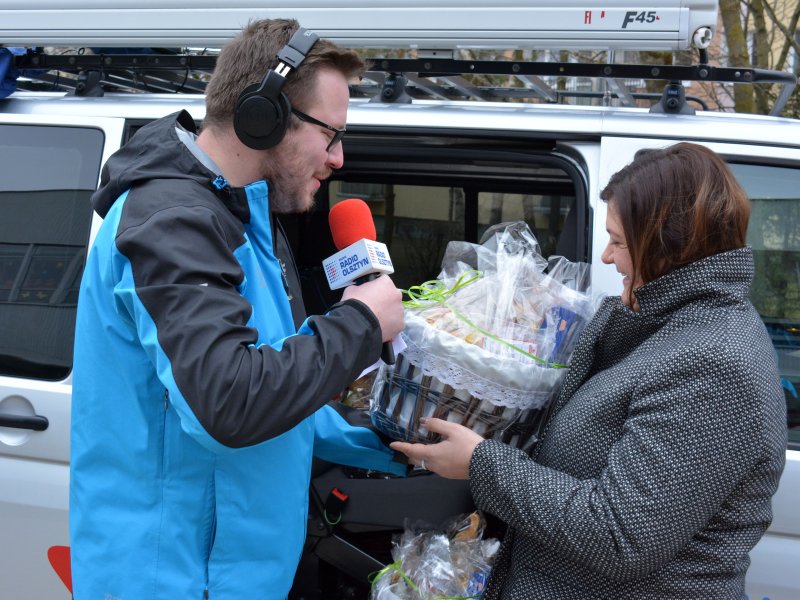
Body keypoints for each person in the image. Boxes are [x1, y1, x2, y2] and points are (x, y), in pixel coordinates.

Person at [70, 19, 406, 599]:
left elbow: (274, 377)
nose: (338, 157)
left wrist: (389, 437)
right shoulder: (172, 223)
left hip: (233, 577)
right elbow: (229, 403)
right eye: (330, 135)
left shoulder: (243, 217)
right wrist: (361, 323)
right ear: (263, 115)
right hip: (175, 581)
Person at [391, 143, 787, 599]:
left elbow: (621, 535)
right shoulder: (667, 326)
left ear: (666, 246)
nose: (606, 256)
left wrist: (482, 464)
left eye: (618, 241)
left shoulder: (715, 363)